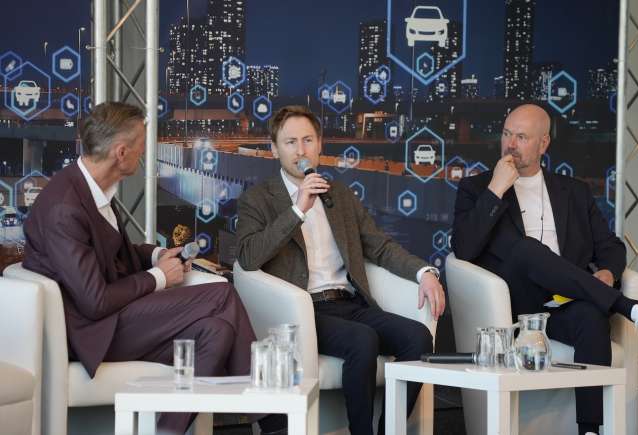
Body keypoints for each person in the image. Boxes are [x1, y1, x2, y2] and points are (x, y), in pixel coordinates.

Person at [22, 102, 262, 435]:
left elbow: (109, 254)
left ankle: (167, 432)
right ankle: (272, 418)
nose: (145, 153)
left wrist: (158, 255)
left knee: (216, 331)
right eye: (141, 146)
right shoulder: (64, 208)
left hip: (114, 320)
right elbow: (94, 301)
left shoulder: (91, 189)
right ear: (121, 152)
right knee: (222, 294)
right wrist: (159, 277)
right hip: (93, 332)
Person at [236, 105, 444, 435]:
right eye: (290, 142)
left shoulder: (340, 195)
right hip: (302, 310)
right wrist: (297, 210)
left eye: (308, 140)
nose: (301, 150)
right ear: (274, 149)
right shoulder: (258, 199)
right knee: (362, 339)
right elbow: (247, 257)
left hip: (349, 303)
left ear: (320, 145)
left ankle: (388, 431)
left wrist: (423, 273)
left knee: (418, 337)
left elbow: (379, 245)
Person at [452, 103, 638, 435]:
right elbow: (463, 249)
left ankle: (589, 429)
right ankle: (629, 308)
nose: (510, 144)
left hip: (564, 302)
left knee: (591, 317)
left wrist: (607, 274)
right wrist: (496, 189)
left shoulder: (574, 191)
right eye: (506, 134)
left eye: (521, 137)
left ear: (543, 143)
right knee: (528, 249)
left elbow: (611, 247)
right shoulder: (477, 189)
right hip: (515, 304)